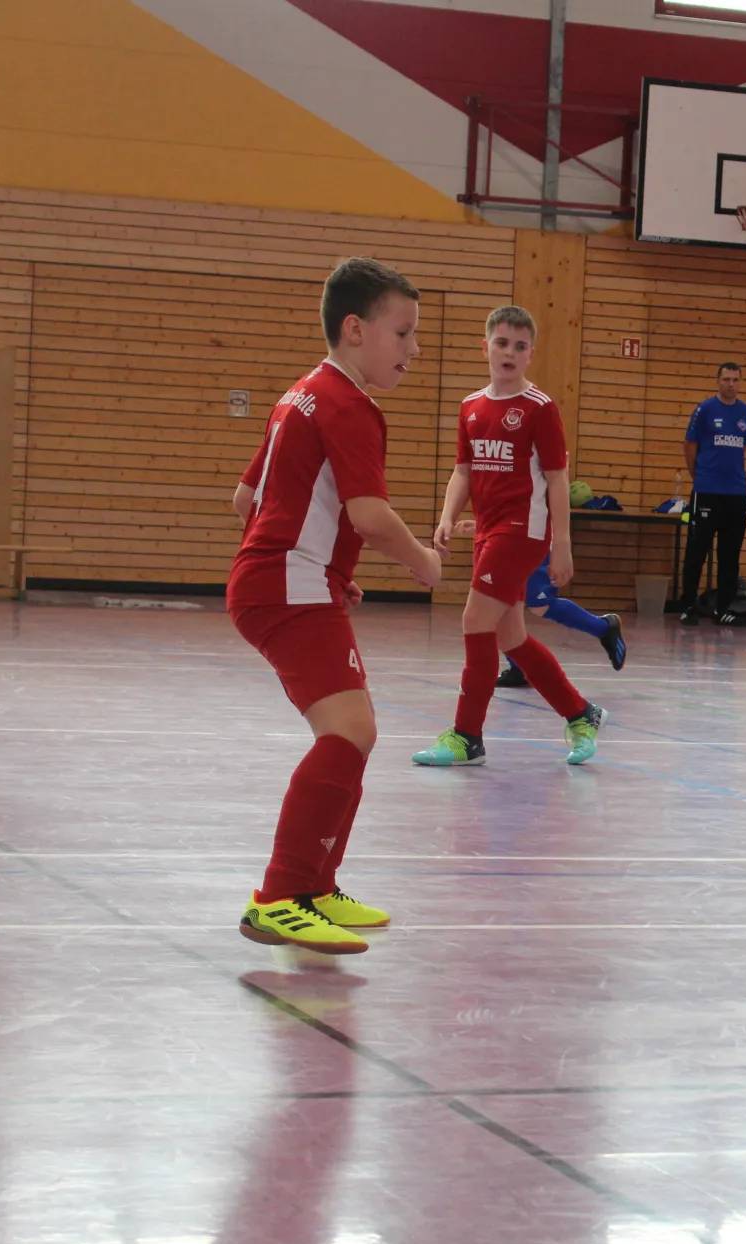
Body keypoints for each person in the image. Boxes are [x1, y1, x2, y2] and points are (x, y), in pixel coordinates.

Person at [226, 257, 442, 955]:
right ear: (355, 329)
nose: (414, 348)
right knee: (348, 731)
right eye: (403, 333)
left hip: (286, 578)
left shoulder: (301, 394)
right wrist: (423, 561)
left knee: (357, 731)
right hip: (287, 584)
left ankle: (318, 886)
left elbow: (245, 500)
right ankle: (279, 898)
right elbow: (369, 515)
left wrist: (323, 565)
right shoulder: (351, 406)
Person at [412, 306, 607, 768]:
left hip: (523, 533)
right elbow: (464, 470)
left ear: (530, 354)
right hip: (488, 532)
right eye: (501, 343)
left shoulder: (539, 408)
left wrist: (562, 544)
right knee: (510, 637)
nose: (509, 352)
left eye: (520, 346)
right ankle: (580, 713)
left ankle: (467, 737)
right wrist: (447, 516)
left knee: (474, 620)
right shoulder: (470, 407)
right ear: (486, 347)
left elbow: (557, 479)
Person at [676, 361, 746, 625]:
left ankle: (724, 609)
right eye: (726, 379)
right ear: (718, 381)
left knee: (730, 555)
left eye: (735, 380)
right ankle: (688, 605)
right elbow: (690, 445)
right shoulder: (705, 410)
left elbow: (742, 447)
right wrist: (699, 476)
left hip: (737, 493)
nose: (731, 384)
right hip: (707, 491)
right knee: (697, 551)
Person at [495, 560, 625, 688]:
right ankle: (518, 667)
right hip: (502, 548)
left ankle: (603, 627)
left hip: (529, 548)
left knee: (541, 605)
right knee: (499, 601)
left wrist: (561, 550)